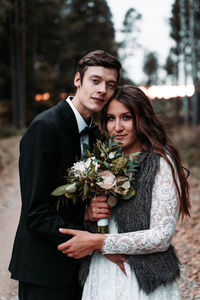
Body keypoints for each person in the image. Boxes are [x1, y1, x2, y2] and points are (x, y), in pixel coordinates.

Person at [58, 85, 190, 299]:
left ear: (142, 119)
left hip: (141, 280)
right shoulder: (100, 161)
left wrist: (98, 242)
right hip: (100, 272)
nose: (117, 127)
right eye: (110, 118)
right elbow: (100, 222)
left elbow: (162, 237)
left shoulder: (160, 162)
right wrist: (88, 215)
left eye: (126, 117)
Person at [9, 50, 122, 300]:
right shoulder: (45, 127)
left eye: (110, 84)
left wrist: (89, 214)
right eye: (95, 80)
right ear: (78, 80)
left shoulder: (96, 135)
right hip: (44, 270)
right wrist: (87, 235)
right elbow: (35, 214)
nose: (103, 89)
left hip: (79, 270)